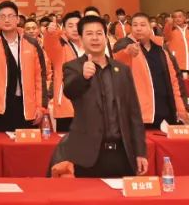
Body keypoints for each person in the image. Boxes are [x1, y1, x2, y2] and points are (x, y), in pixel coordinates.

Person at [48, 16, 148, 178]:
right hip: (87, 157)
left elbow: (134, 113)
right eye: (89, 34)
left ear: (105, 37)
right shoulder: (73, 67)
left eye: (99, 33)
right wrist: (83, 77)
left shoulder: (122, 70)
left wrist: (140, 152)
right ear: (81, 39)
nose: (95, 38)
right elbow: (70, 91)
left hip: (122, 155)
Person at [0, 1, 48, 133]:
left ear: (17, 19)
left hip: (26, 106)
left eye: (11, 16)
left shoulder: (31, 42)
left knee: (27, 144)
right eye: (3, 16)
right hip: (0, 107)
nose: (7, 20)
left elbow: (40, 77)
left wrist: (41, 107)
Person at [113, 13, 189, 129]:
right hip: (141, 114)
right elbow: (117, 60)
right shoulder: (124, 44)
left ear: (150, 27)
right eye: (135, 25)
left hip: (166, 111)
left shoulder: (161, 47)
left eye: (142, 25)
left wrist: (182, 106)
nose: (138, 28)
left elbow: (175, 78)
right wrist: (127, 52)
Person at [44, 11, 86, 132]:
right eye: (70, 26)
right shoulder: (59, 48)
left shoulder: (90, 46)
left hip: (89, 107)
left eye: (78, 25)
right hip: (66, 107)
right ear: (64, 29)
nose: (75, 29)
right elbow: (50, 43)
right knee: (66, 142)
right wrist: (50, 33)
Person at [164, 10, 189, 76]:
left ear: (185, 18)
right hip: (177, 66)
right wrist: (169, 23)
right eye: (175, 17)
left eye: (180, 16)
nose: (177, 19)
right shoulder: (171, 32)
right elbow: (166, 33)